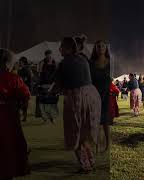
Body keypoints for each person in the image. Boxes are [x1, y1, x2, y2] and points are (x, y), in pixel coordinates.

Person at [50, 37, 101, 173]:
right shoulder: (83, 59)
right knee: (84, 133)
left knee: (75, 132)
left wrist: (50, 93)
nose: (60, 49)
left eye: (62, 46)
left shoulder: (64, 63)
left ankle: (85, 165)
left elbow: (58, 86)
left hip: (76, 99)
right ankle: (91, 161)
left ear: (68, 48)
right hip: (91, 96)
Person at [0, 49, 30, 180]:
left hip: (8, 116)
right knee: (9, 148)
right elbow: (25, 95)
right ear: (7, 63)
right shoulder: (13, 78)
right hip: (8, 119)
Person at [89, 40, 112, 152]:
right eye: (98, 46)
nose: (101, 47)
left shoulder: (110, 62)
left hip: (107, 95)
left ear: (106, 48)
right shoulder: (91, 63)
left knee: (106, 122)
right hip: (95, 94)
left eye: (103, 45)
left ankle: (107, 144)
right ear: (95, 48)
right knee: (96, 120)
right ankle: (97, 144)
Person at [38, 50, 59, 123]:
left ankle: (52, 118)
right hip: (44, 85)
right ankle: (45, 118)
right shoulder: (42, 63)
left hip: (52, 85)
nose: (49, 57)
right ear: (46, 56)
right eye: (48, 55)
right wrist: (40, 84)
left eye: (50, 55)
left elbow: (57, 76)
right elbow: (40, 75)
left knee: (52, 103)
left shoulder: (55, 64)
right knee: (43, 103)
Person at [18, 57, 33, 122]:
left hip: (25, 89)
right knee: (22, 104)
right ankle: (23, 116)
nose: (19, 63)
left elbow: (26, 80)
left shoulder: (27, 70)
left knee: (24, 104)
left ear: (23, 62)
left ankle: (24, 117)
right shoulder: (20, 70)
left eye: (20, 62)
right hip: (22, 89)